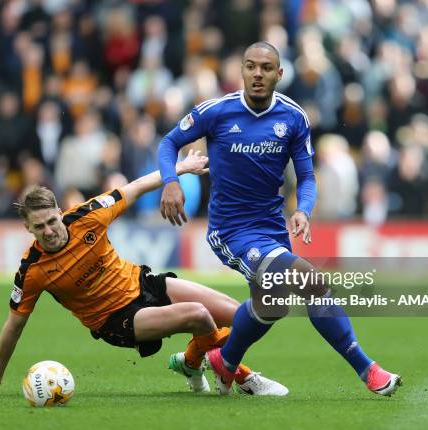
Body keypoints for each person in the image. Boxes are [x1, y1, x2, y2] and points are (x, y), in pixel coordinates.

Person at [157, 42, 402, 396]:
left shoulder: (293, 117)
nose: (258, 74)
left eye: (266, 68)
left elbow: (306, 176)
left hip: (272, 228)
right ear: (241, 71)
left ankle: (224, 361)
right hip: (231, 230)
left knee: (271, 306)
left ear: (279, 74)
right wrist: (171, 182)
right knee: (313, 283)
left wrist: (303, 208)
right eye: (251, 66)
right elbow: (169, 142)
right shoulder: (216, 111)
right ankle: (368, 370)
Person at [0, 150, 287, 397]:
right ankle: (244, 378)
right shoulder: (32, 271)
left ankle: (191, 362)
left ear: (60, 212)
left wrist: (179, 169)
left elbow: (134, 188)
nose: (49, 231)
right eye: (39, 227)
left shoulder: (88, 216)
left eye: (52, 221)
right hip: (115, 320)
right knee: (200, 316)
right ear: (28, 228)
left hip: (142, 282)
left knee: (239, 315)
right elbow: (14, 325)